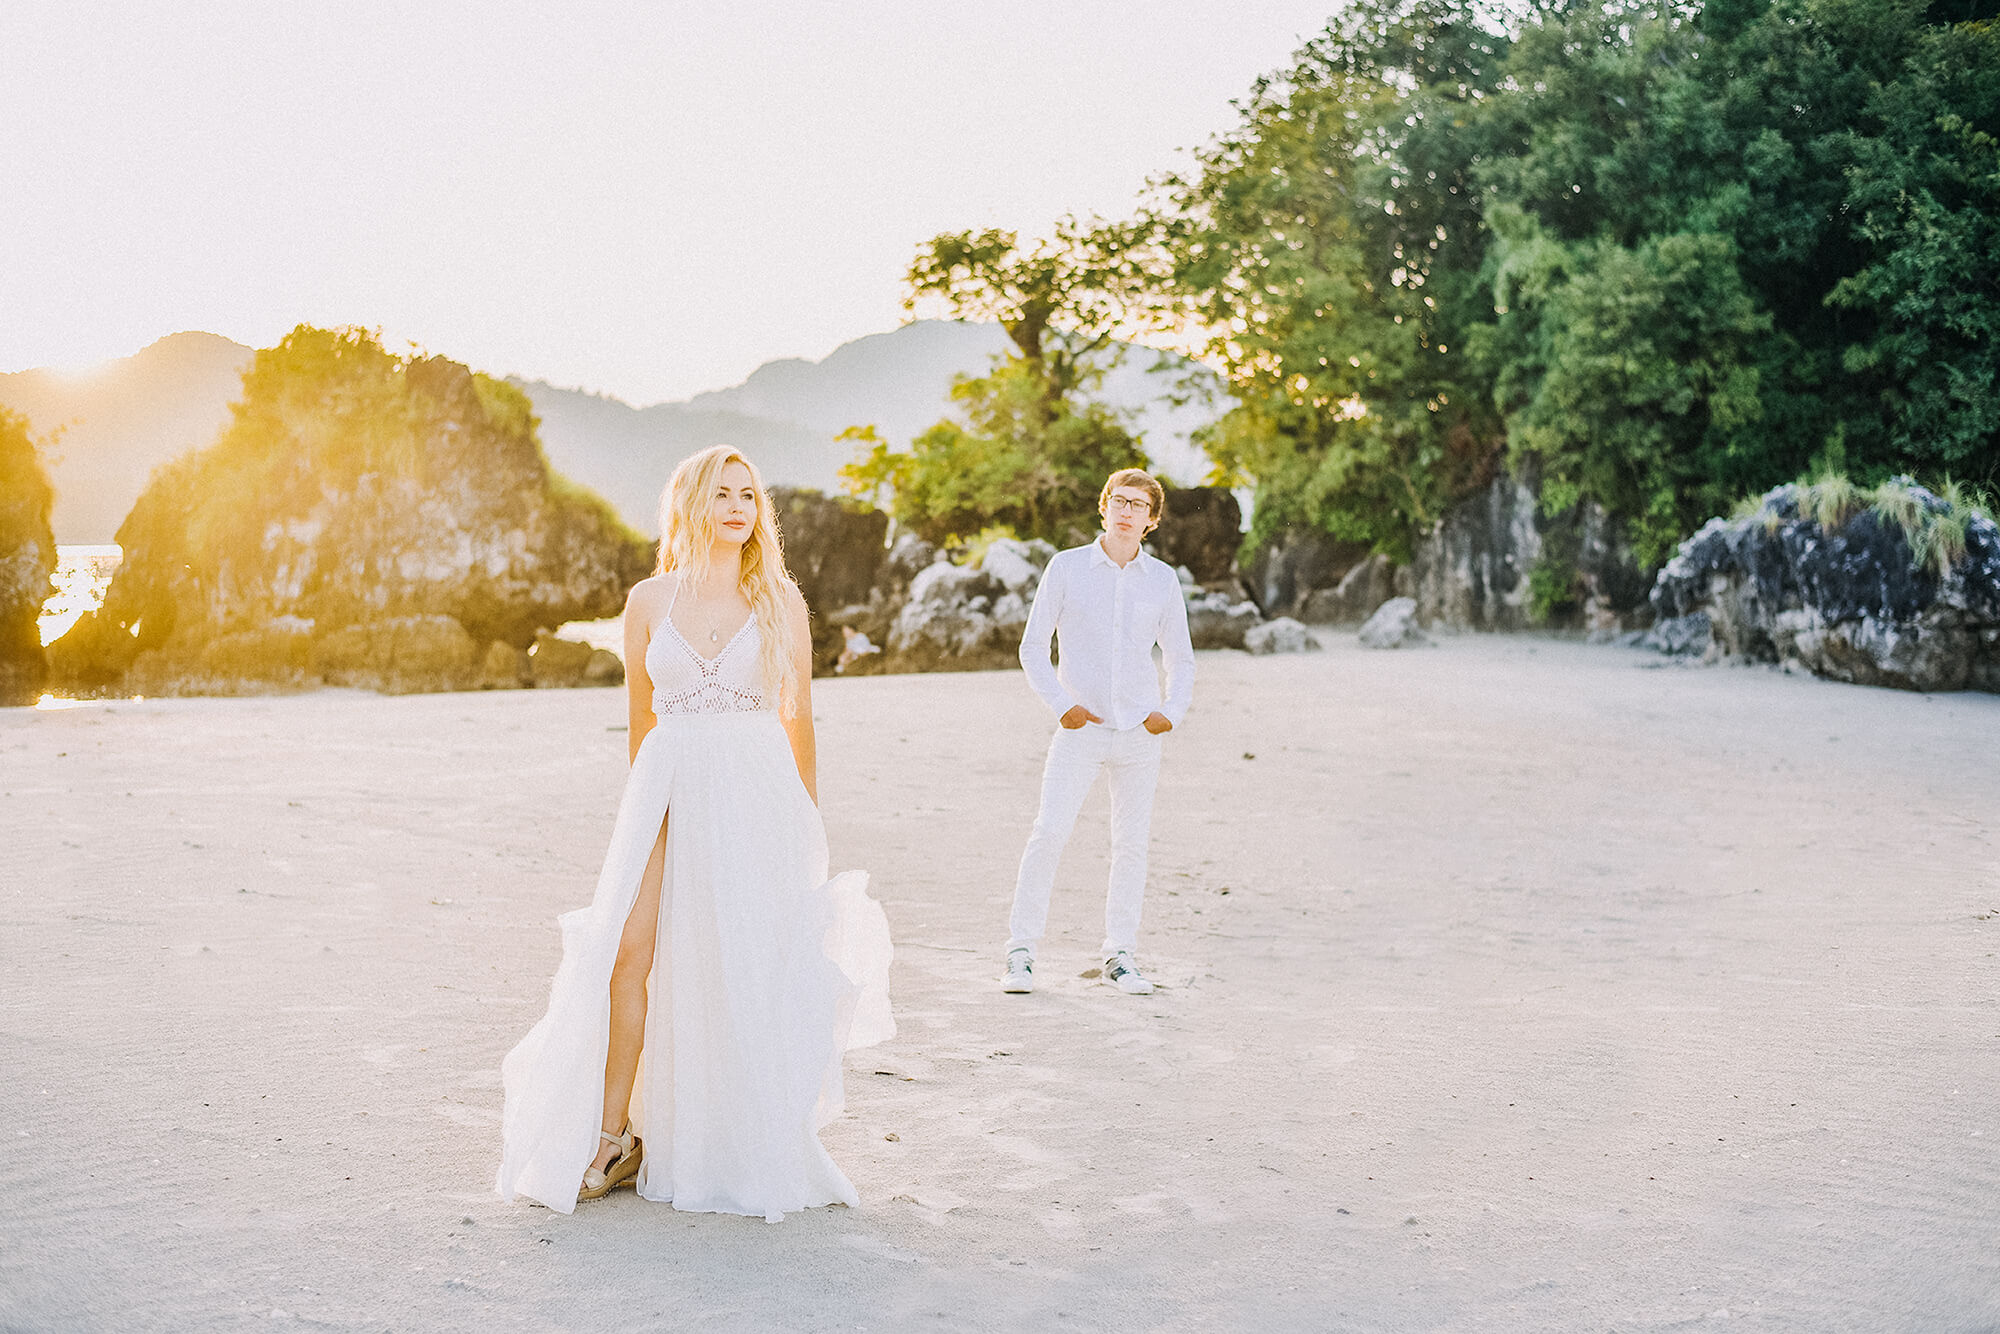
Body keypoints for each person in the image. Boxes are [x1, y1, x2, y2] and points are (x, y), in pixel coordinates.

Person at [496, 446, 893, 1222]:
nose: (739, 506)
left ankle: (739, 1137)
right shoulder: (647, 601)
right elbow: (642, 725)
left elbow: (798, 718)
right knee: (628, 953)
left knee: (739, 961)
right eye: (722, 493)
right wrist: (642, 819)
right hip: (665, 791)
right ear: (691, 503)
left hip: (754, 795)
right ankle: (613, 1137)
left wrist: (805, 822)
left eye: (749, 494)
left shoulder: (780, 600)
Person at [1003, 468, 1195, 997]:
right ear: (1104, 506)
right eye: (1120, 501)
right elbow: (1032, 648)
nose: (1127, 511)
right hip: (1080, 728)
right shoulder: (1066, 569)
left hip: (1139, 732)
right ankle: (1020, 954)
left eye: (1139, 505)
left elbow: (1180, 656)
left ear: (1152, 521)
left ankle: (1120, 955)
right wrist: (1062, 706)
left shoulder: (1162, 580)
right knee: (1049, 833)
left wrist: (1170, 712)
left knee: (1130, 844)